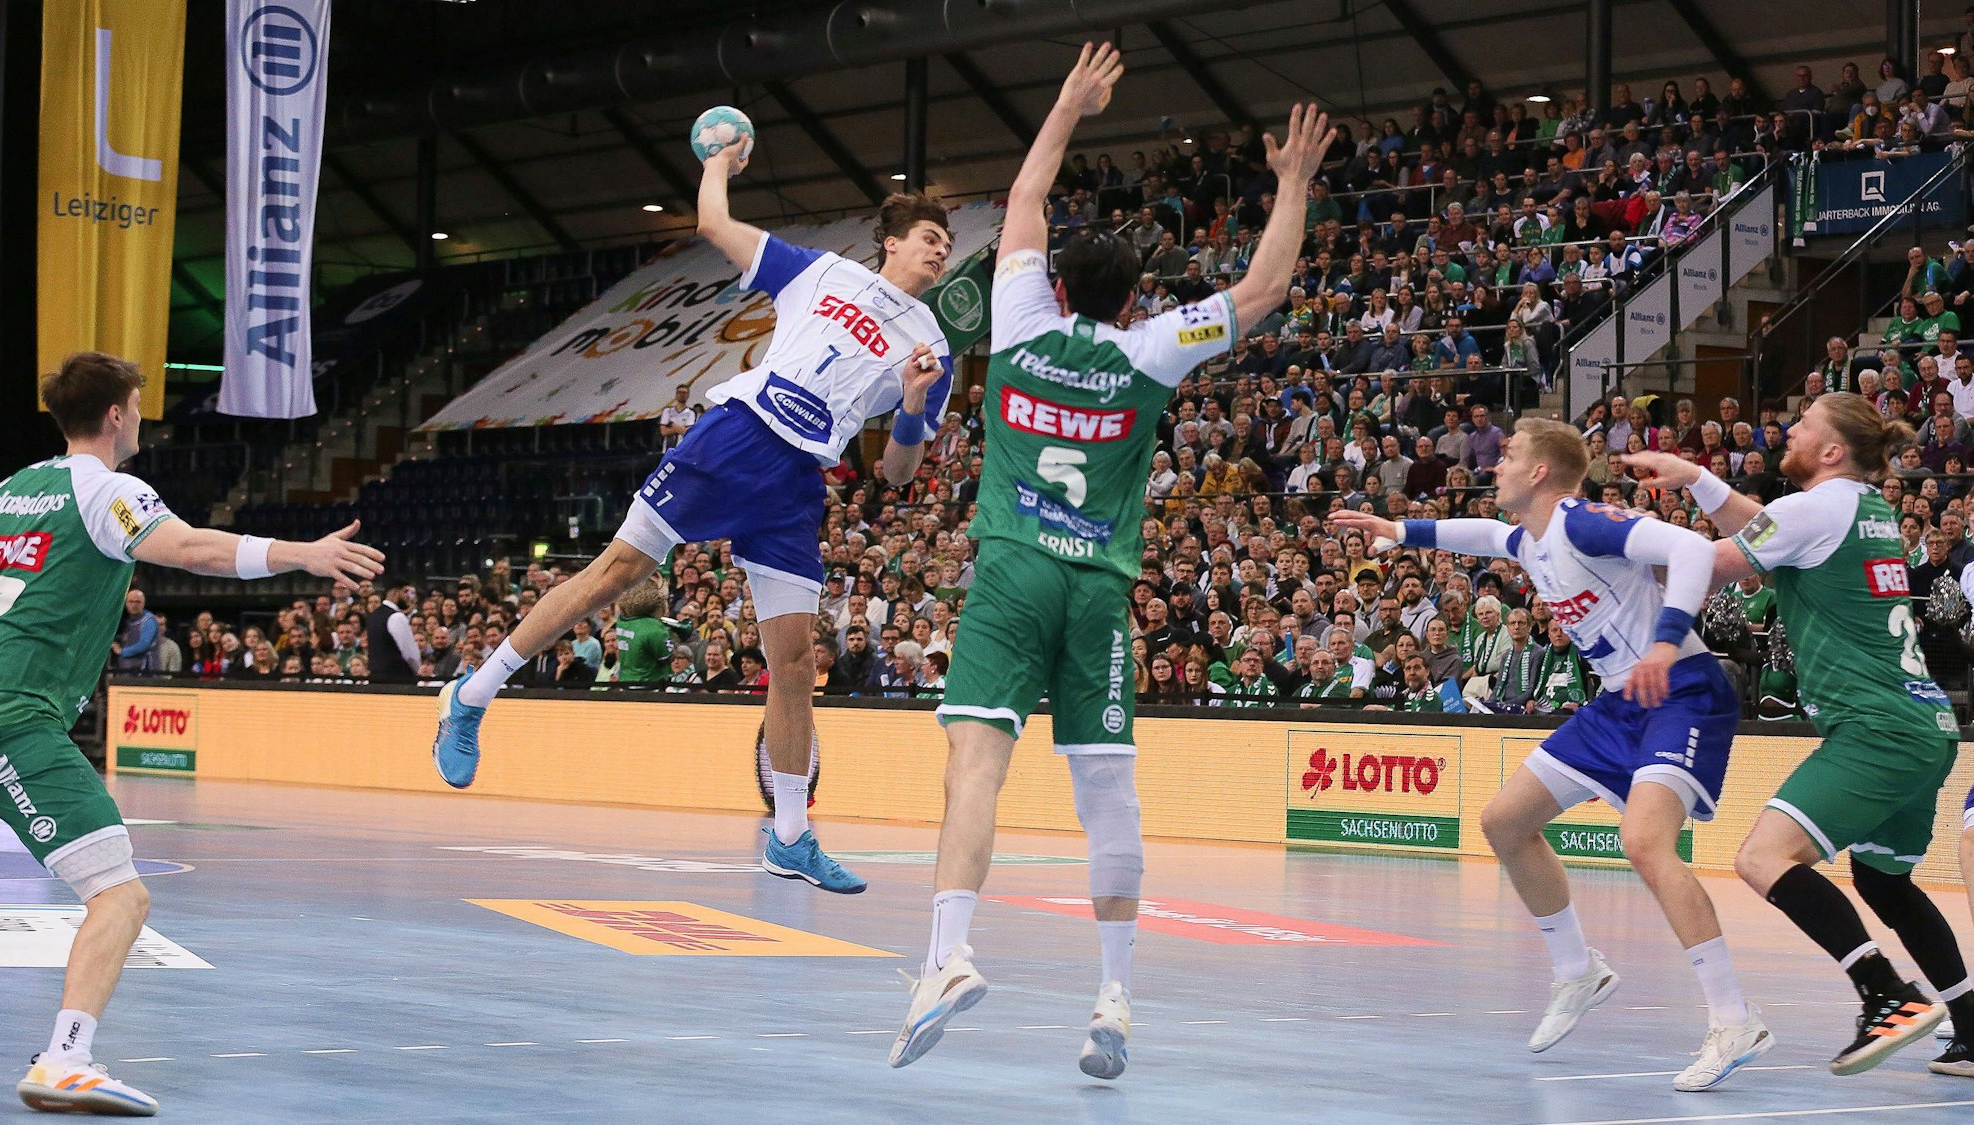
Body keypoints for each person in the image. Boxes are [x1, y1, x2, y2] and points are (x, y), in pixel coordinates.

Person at [890, 44, 1334, 1079]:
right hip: (1097, 587)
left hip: (1008, 571)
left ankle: (946, 957)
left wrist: (1067, 104)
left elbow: (1026, 191)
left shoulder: (1014, 323)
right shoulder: (1147, 351)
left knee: (973, 769)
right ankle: (1114, 999)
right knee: (1108, 800)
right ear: (1133, 299)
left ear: (1051, 283)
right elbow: (1266, 286)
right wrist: (1294, 183)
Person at [432, 118, 962, 896]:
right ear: (889, 242)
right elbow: (714, 223)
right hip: (737, 436)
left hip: (795, 485)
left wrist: (913, 404)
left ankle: (790, 834)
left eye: (946, 241)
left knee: (792, 664)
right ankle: (471, 696)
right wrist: (718, 162)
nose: (940, 247)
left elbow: (897, 469)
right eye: (926, 234)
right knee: (615, 571)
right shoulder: (818, 274)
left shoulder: (932, 348)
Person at [0, 352, 382, 1115]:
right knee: (120, 896)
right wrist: (304, 554)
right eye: (138, 405)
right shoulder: (108, 491)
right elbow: (192, 548)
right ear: (119, 415)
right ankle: (66, 1058)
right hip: (17, 717)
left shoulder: (1, 496)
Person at [1332, 418, 1766, 1092]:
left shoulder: (1582, 522)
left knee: (1645, 843)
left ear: (1539, 472)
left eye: (1507, 454)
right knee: (1505, 821)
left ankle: (1733, 1017)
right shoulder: (1530, 539)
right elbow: (1481, 536)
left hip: (1680, 689)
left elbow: (1689, 549)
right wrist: (1402, 531)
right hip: (1619, 704)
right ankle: (1577, 969)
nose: (1496, 463)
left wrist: (1663, 640)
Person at [1631, 395, 1974, 1077]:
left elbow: (1720, 561)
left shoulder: (1813, 509)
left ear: (1831, 450)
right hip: (1925, 725)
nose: (1793, 429)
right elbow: (1765, 528)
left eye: (1806, 424)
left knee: (1761, 857)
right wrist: (1694, 478)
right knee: (1885, 882)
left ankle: (1886, 995)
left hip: (1875, 730)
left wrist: (1619, 538)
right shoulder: (1862, 506)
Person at [611, 578, 695, 688]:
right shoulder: (655, 629)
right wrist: (673, 637)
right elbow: (667, 659)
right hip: (649, 686)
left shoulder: (622, 621)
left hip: (626, 682)